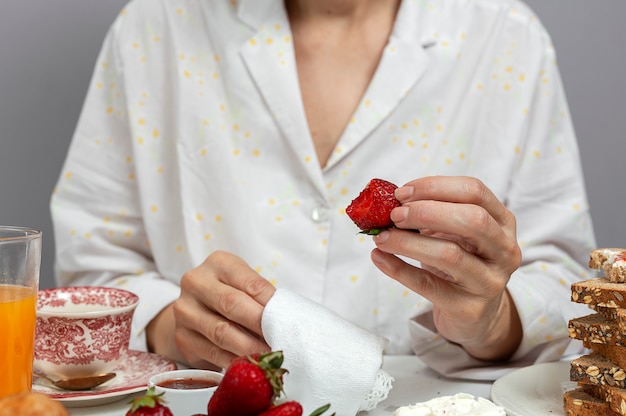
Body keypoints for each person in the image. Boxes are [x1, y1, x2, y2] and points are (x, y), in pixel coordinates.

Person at [50, 0, 596, 379]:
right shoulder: (154, 27)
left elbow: (569, 288)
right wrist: (172, 324)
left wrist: (492, 319)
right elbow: (92, 275)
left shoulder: (506, 36)